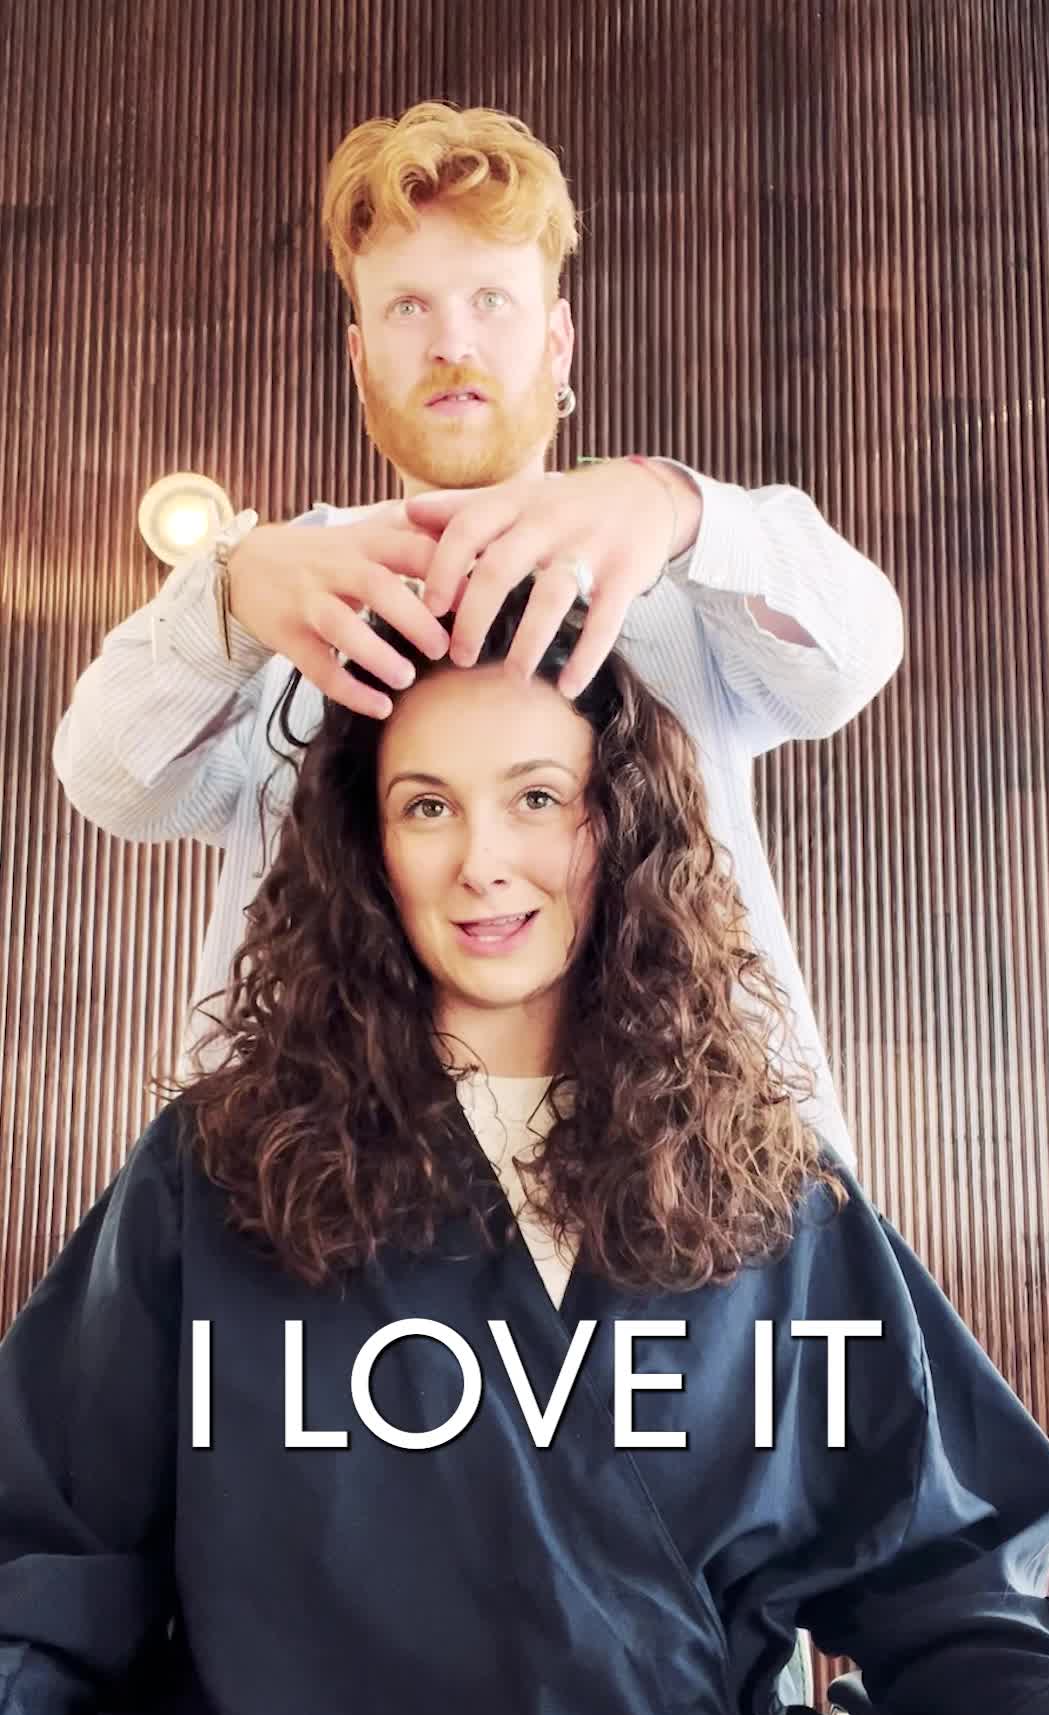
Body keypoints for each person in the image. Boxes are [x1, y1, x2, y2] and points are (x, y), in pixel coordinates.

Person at [5, 582, 1049, 1715]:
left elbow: (959, 1600)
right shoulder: (217, 1172)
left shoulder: (766, 1187)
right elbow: (30, 1578)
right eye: (427, 806)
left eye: (536, 798)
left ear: (617, 822)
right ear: (364, 845)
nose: (483, 863)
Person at [51, 100, 909, 1168]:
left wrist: (683, 509)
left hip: (686, 1181)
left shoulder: (678, 559)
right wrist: (222, 595)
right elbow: (110, 783)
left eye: (491, 301)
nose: (452, 342)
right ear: (360, 356)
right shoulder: (283, 591)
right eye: (408, 307)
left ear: (559, 340)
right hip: (327, 1192)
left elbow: (855, 655)